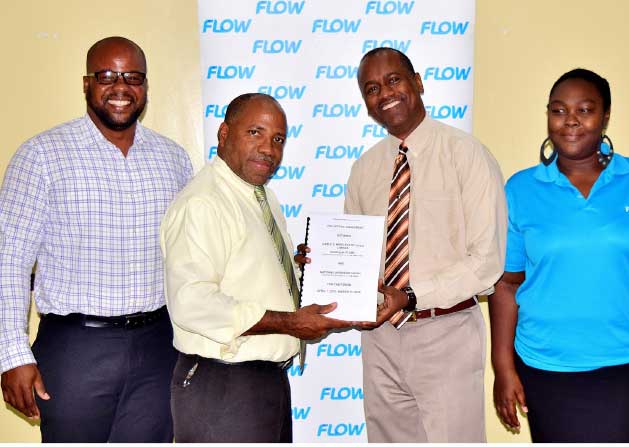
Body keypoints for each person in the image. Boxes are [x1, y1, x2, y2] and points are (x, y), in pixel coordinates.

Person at [0, 36, 193, 442]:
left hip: (159, 345)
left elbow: (192, 250)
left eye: (133, 76)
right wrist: (11, 356)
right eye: (106, 76)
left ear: (145, 87)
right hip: (76, 349)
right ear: (86, 84)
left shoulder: (173, 159)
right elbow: (9, 261)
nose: (120, 87)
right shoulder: (42, 156)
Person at [160, 93, 364, 442]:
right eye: (255, 132)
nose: (268, 148)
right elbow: (192, 302)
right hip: (223, 385)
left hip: (263, 382)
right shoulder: (203, 203)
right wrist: (290, 323)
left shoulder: (261, 197)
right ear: (224, 133)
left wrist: (303, 274)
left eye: (278, 139)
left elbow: (251, 278)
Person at [344, 47, 507, 442]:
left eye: (394, 80)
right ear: (366, 103)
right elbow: (356, 256)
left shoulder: (467, 155)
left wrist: (412, 296)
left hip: (446, 332)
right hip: (380, 338)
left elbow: (487, 262)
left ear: (418, 82)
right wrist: (323, 268)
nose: (384, 93)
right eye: (371, 88)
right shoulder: (364, 169)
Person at [490, 68, 629, 442]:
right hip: (546, 366)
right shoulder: (520, 188)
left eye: (585, 110)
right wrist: (502, 366)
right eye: (558, 110)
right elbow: (506, 284)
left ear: (605, 117)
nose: (570, 120)